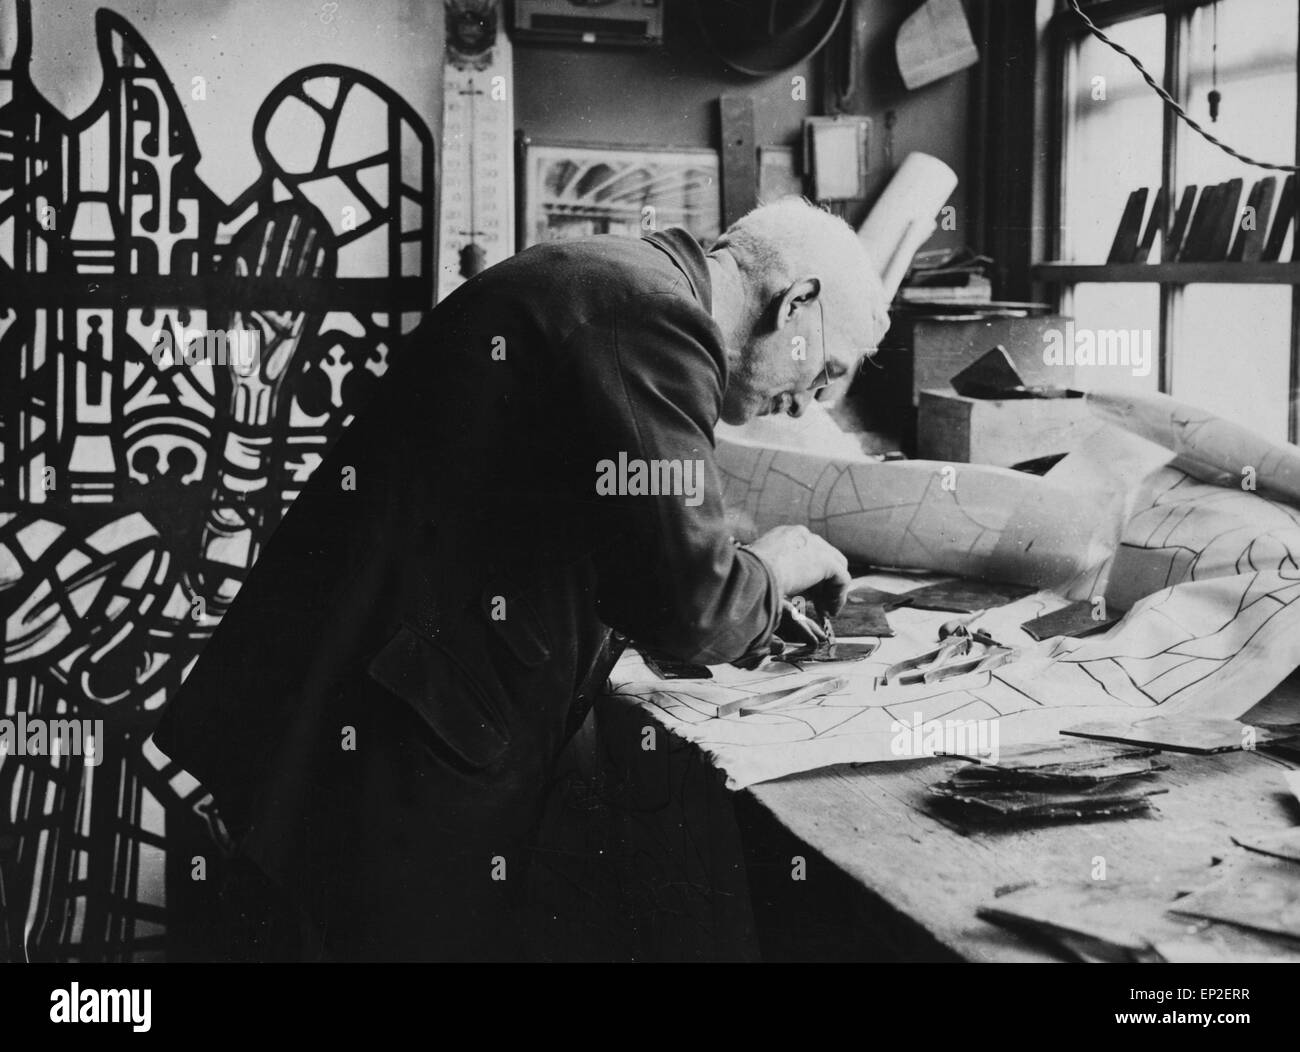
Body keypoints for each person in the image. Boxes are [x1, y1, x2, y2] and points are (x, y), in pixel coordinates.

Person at [153, 196, 891, 961]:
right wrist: (777, 565)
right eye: (824, 370)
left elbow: (609, 520)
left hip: (369, 697)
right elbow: (691, 607)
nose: (807, 402)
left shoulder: (623, 279)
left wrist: (716, 551)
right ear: (794, 300)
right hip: (397, 736)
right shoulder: (657, 322)